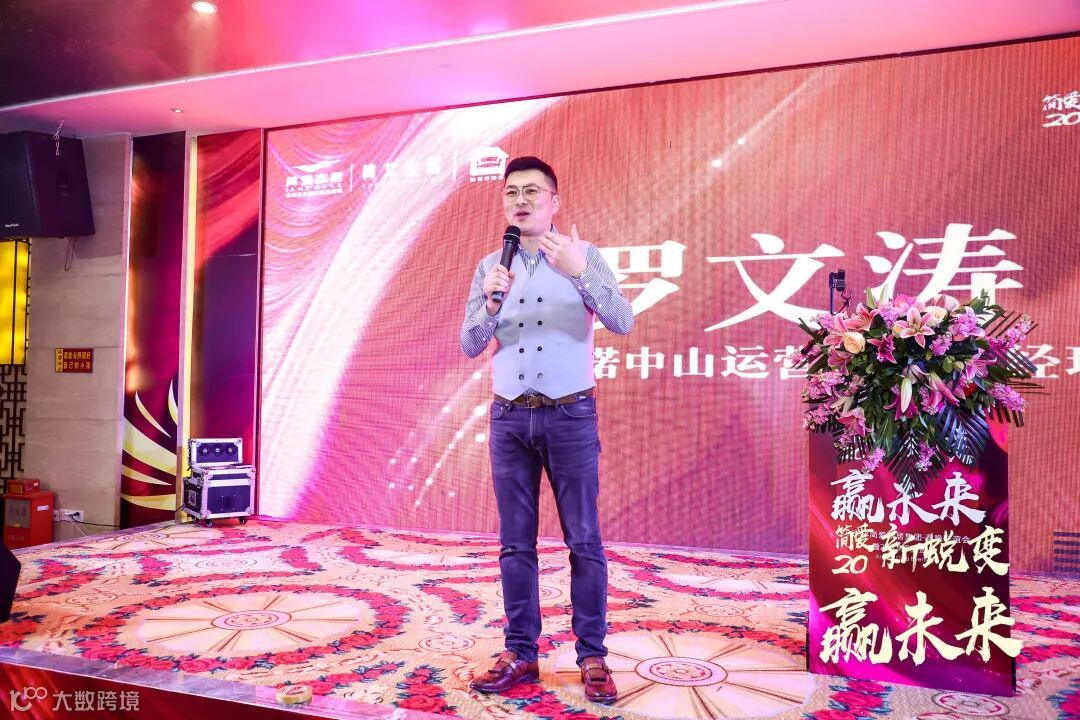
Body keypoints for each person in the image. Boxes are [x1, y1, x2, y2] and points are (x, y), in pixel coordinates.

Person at [460, 156, 633, 704]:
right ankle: (521, 652)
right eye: (512, 192)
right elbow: (469, 344)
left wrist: (581, 272)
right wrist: (490, 304)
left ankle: (592, 655)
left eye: (532, 191)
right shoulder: (491, 265)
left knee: (583, 539)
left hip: (569, 416)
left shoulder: (583, 256)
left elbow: (622, 321)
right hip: (509, 418)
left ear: (554, 201)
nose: (521, 200)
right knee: (515, 543)